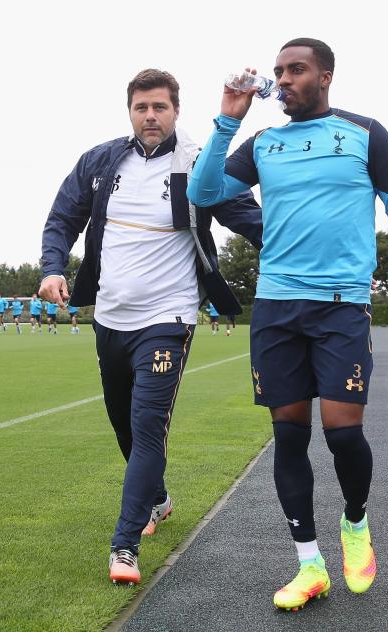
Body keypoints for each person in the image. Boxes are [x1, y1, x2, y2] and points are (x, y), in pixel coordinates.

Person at [188, 38, 388, 611]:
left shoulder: (364, 133)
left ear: (325, 75)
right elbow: (203, 193)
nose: (284, 80)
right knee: (289, 435)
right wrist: (227, 121)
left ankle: (355, 523)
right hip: (276, 308)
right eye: (278, 72)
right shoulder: (263, 144)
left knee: (344, 433)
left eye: (295, 70)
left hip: (341, 306)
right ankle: (309, 564)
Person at [39, 69, 261, 586]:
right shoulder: (99, 162)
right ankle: (157, 500)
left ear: (176, 110)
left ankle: (125, 544)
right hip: (110, 317)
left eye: (160, 107)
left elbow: (246, 216)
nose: (151, 116)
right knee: (122, 422)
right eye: (142, 108)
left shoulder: (198, 163)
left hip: (170, 316)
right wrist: (53, 267)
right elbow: (62, 218)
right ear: (131, 112)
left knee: (146, 424)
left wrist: (305, 254)